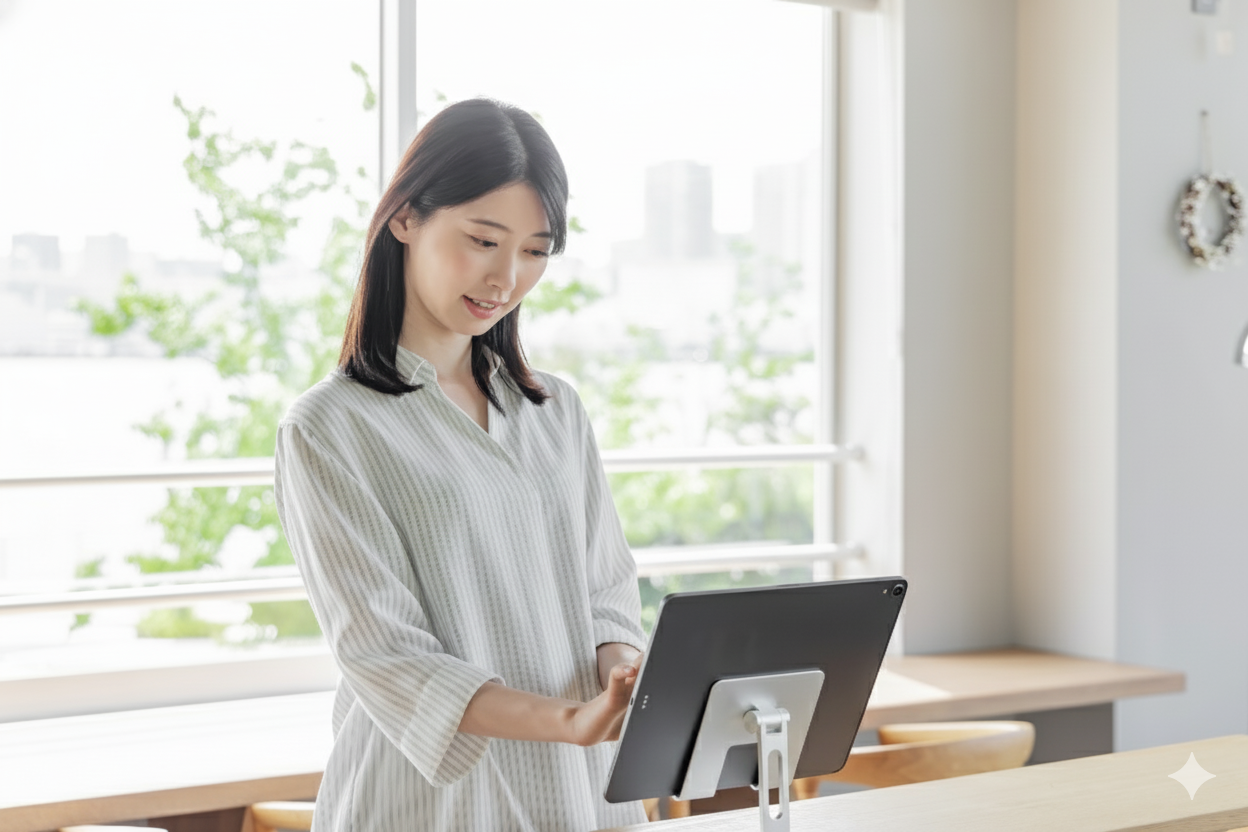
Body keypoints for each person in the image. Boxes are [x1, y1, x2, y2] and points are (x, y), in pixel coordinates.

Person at [274, 98, 648, 831]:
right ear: (406, 218)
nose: (506, 278)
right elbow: (386, 655)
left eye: (535, 251)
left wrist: (618, 676)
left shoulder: (555, 412)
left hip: (579, 791)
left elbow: (607, 588)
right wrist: (566, 720)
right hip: (424, 803)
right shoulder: (330, 427)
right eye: (483, 240)